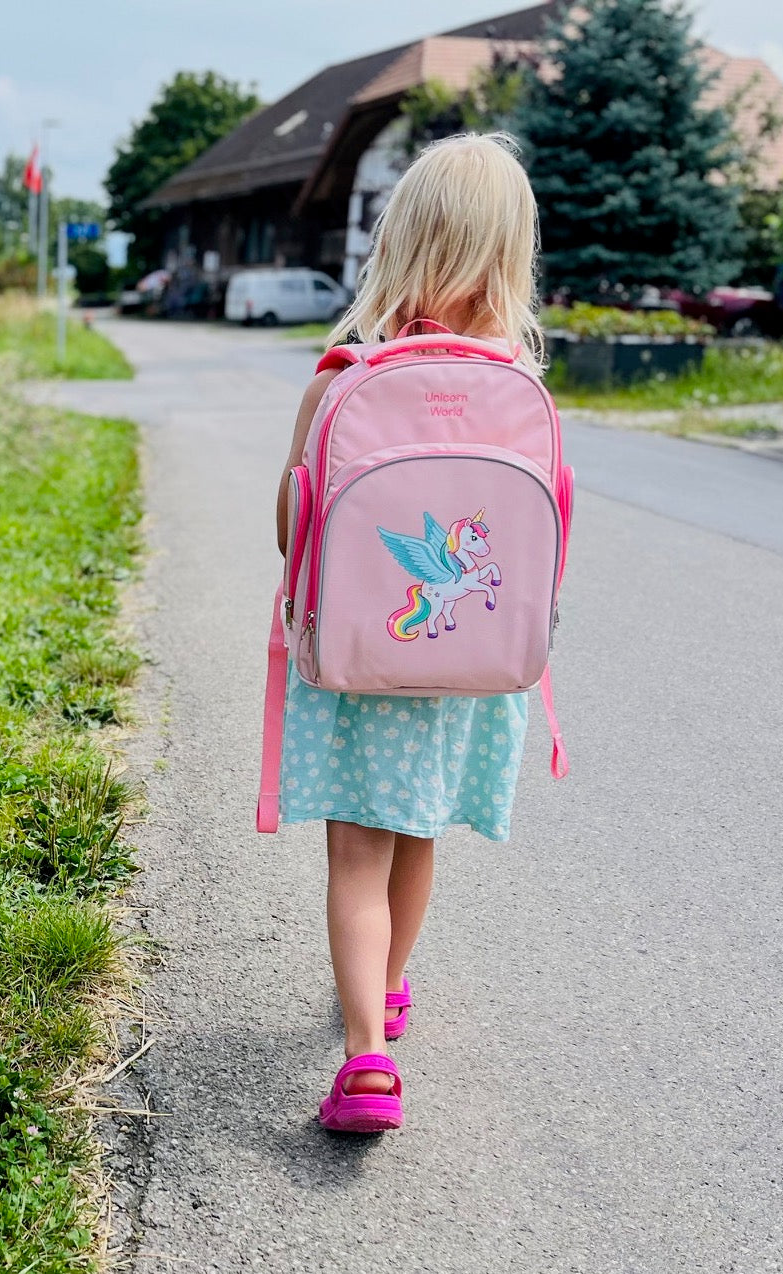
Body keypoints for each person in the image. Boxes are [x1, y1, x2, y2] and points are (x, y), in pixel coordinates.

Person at [274, 133, 547, 1132]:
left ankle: (366, 1057)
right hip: (471, 667)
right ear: (511, 255)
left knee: (355, 854)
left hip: (359, 663)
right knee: (416, 830)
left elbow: (290, 534)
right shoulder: (521, 392)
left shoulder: (345, 376)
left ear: (398, 241)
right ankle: (385, 989)